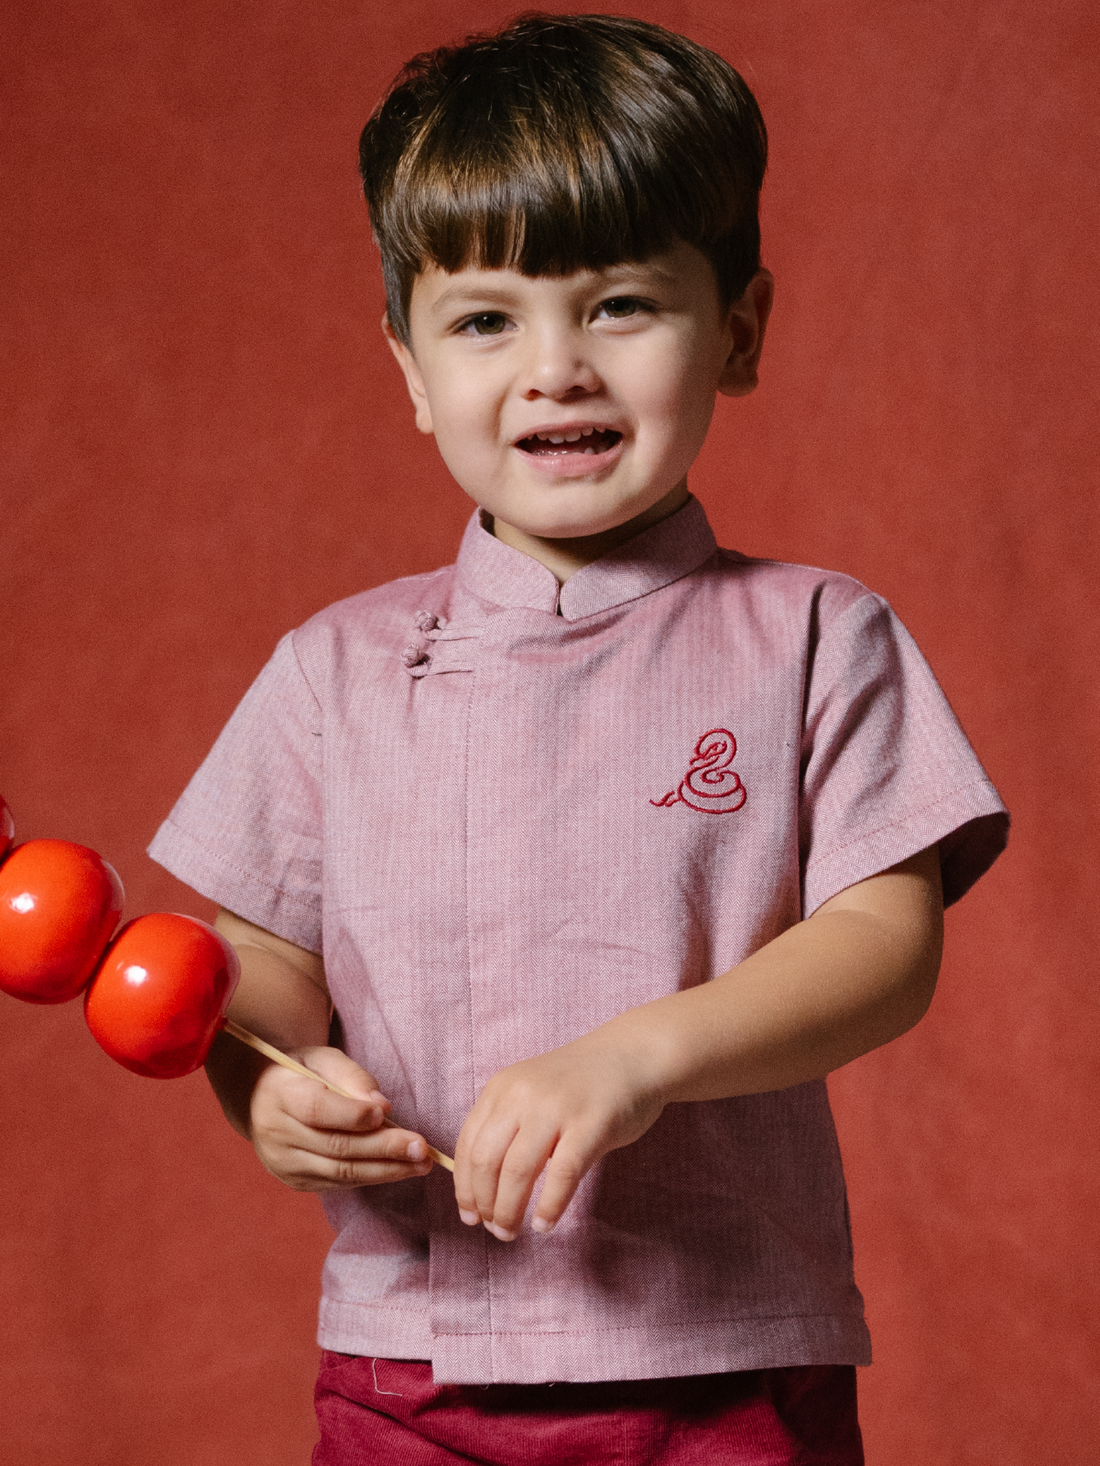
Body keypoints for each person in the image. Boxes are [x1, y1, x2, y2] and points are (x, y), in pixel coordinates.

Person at [148, 14, 1008, 1463]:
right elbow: (262, 977)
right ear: (411, 370)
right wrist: (267, 1091)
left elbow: (885, 942)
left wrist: (637, 1058)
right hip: (406, 1361)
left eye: (618, 304)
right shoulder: (333, 670)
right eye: (486, 319)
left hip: (723, 1354)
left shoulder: (816, 634)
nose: (555, 367)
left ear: (737, 331)